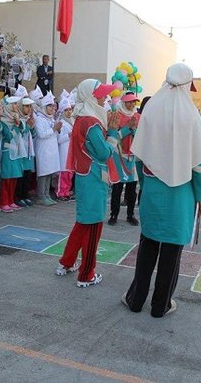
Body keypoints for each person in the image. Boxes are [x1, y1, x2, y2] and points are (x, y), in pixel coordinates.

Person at [122, 63, 201, 317]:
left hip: (153, 188)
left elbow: (138, 155)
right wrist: (200, 197)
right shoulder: (191, 115)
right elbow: (199, 164)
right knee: (172, 251)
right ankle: (161, 305)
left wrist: (145, 185)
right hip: (181, 193)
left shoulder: (151, 110)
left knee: (148, 244)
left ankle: (135, 299)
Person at [56, 79, 118, 287]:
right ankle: (86, 274)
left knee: (83, 223)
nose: (105, 97)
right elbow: (103, 152)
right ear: (91, 97)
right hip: (92, 177)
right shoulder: (91, 122)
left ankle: (66, 262)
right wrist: (114, 136)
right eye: (101, 94)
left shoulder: (84, 118)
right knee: (93, 227)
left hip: (86, 176)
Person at [109, 92, 141, 226]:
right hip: (118, 155)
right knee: (117, 187)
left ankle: (130, 214)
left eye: (134, 102)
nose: (132, 104)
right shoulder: (116, 115)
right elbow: (113, 137)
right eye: (129, 101)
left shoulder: (138, 116)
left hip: (132, 156)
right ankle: (114, 214)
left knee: (132, 189)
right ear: (123, 102)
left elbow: (140, 136)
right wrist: (128, 128)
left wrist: (134, 130)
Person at [0, 94, 24, 212]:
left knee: (14, 177)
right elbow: (8, 136)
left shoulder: (15, 118)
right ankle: (4, 202)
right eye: (12, 104)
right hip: (7, 151)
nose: (15, 106)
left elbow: (22, 130)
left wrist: (18, 124)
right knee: (7, 178)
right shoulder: (3, 121)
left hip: (16, 151)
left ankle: (11, 200)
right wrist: (17, 127)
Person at [34, 92, 61, 205]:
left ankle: (47, 194)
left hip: (52, 150)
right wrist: (54, 129)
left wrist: (58, 130)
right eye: (50, 106)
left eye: (53, 106)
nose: (52, 108)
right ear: (44, 107)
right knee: (43, 172)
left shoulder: (51, 119)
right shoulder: (39, 119)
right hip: (44, 149)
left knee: (50, 172)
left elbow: (56, 135)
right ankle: (41, 196)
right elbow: (41, 134)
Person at [56, 92, 75, 201]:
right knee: (63, 173)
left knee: (69, 173)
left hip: (71, 151)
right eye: (66, 110)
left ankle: (66, 191)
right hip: (64, 150)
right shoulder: (61, 122)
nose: (68, 112)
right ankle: (60, 193)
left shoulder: (72, 121)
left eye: (69, 110)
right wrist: (69, 135)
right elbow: (59, 139)